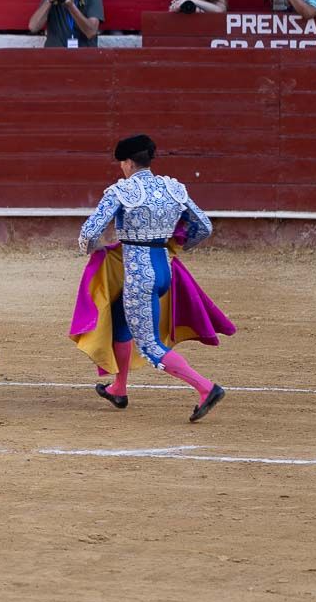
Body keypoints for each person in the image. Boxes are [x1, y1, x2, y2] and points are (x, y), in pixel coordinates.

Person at [72, 135, 232, 423]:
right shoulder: (173, 188)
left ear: (129, 162)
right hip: (162, 270)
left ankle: (206, 388)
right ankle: (118, 388)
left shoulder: (122, 191)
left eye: (122, 163)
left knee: (150, 345)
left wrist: (94, 253)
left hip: (138, 277)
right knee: (122, 322)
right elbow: (204, 227)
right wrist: (178, 246)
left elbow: (88, 233)